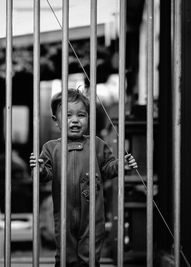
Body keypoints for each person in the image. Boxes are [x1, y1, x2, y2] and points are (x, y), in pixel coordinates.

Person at [30, 89, 137, 267]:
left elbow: (108, 169)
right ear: (56, 121)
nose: (75, 120)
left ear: (89, 118)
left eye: (81, 115)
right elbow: (45, 175)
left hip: (93, 214)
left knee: (90, 255)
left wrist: (121, 165)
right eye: (68, 115)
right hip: (63, 213)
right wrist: (39, 169)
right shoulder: (51, 148)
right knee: (66, 255)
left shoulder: (96, 144)